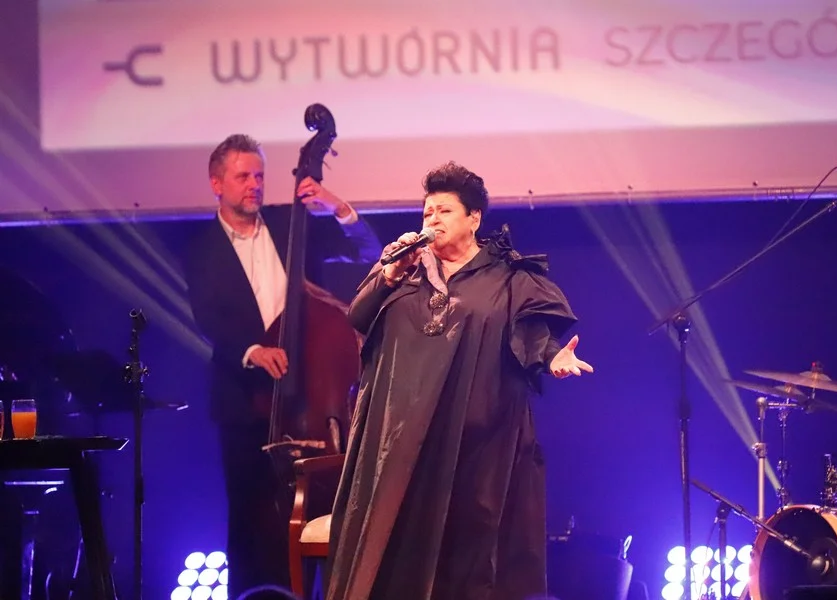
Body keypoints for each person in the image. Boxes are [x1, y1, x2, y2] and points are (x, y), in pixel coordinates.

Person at [325, 161, 594, 600]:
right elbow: (358, 315)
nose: (433, 219)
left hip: (476, 442)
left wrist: (554, 358)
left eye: (445, 211)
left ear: (474, 218)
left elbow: (532, 336)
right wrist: (389, 273)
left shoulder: (507, 277)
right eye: (427, 211)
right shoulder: (404, 268)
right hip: (402, 439)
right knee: (395, 546)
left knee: (467, 555)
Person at [183, 134, 382, 598]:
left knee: (322, 517)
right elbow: (207, 317)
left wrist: (336, 205)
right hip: (246, 403)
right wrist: (252, 350)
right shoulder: (200, 248)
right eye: (243, 176)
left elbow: (367, 251)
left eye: (259, 176)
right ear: (217, 183)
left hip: (310, 401)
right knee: (249, 522)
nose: (254, 184)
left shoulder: (289, 223)